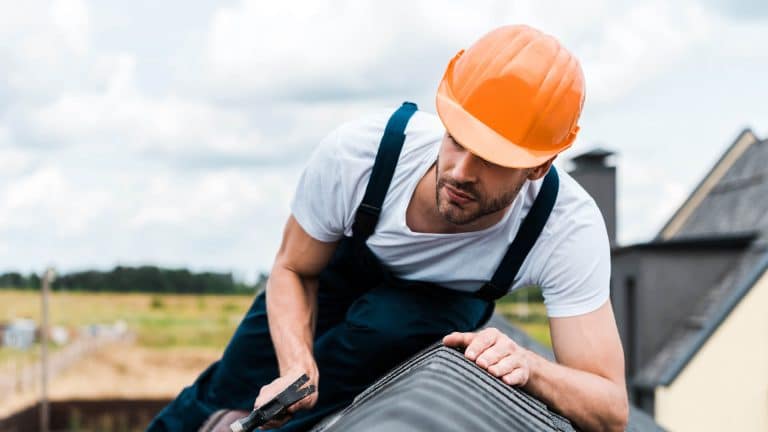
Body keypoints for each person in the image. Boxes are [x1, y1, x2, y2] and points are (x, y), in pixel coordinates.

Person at [148, 24, 628, 432]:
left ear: (539, 166)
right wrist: (296, 364)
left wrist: (531, 366)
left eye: (491, 160)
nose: (461, 171)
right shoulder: (359, 154)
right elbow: (292, 267)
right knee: (228, 388)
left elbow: (610, 409)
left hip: (435, 309)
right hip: (331, 273)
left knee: (385, 324)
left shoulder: (566, 228)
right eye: (458, 140)